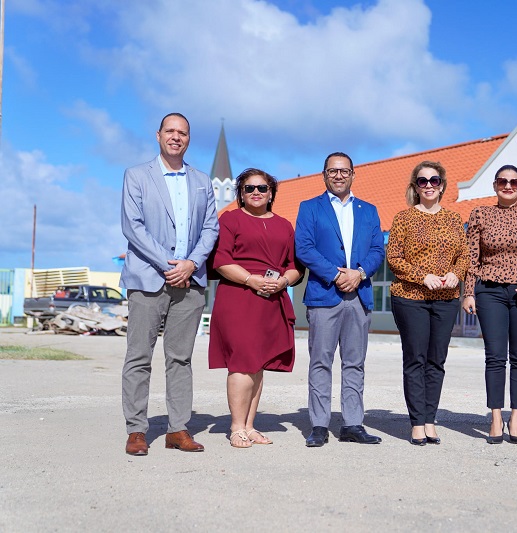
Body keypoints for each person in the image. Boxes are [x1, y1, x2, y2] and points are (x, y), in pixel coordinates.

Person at [120, 112, 219, 456]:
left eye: (183, 133)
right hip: (148, 280)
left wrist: (191, 264)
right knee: (139, 356)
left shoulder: (202, 181)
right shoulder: (136, 176)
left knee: (181, 358)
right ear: (158, 135)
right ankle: (136, 430)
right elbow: (133, 227)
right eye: (171, 131)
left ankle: (177, 428)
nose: (176, 137)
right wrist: (169, 264)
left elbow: (211, 229)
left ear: (189, 139)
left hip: (190, 282)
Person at [294, 152, 385, 447]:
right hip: (324, 295)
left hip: (359, 295)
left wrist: (359, 274)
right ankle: (319, 425)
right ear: (324, 174)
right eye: (332, 171)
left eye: (344, 171)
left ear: (353, 174)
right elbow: (304, 249)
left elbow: (377, 250)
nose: (338, 175)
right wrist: (335, 275)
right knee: (321, 362)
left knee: (354, 363)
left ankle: (352, 424)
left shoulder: (369, 210)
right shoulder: (310, 208)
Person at [208, 168, 302, 448]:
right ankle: (236, 427)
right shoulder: (230, 219)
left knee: (258, 364)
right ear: (241, 193)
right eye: (249, 188)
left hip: (272, 298)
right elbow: (221, 260)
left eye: (262, 188)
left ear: (271, 192)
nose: (256, 193)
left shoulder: (285, 225)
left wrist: (283, 281)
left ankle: (249, 425)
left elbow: (294, 266)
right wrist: (251, 279)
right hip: (239, 296)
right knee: (242, 361)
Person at [462, 165, 517, 445]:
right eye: (503, 181)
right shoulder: (480, 214)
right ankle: (496, 417)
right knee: (495, 356)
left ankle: (516, 419)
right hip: (490, 292)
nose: (508, 186)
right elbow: (471, 257)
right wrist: (468, 293)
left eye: (514, 182)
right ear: (495, 184)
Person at [387, 161, 468, 446]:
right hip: (411, 298)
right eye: (423, 181)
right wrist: (424, 277)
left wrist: (455, 275)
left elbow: (465, 255)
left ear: (442, 185)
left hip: (446, 299)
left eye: (435, 180)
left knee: (437, 360)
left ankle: (431, 420)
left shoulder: (455, 219)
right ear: (415, 187)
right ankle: (416, 422)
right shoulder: (403, 218)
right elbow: (394, 258)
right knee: (415, 359)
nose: (429, 185)